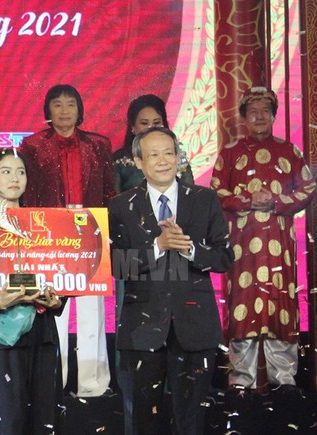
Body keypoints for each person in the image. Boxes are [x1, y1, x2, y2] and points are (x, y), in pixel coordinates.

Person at [109, 126, 234, 434]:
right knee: (145, 420)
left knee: (190, 421)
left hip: (195, 326)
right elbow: (116, 265)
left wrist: (190, 249)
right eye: (153, 154)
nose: (163, 160)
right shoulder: (121, 205)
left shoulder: (204, 199)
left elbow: (224, 258)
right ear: (139, 162)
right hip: (142, 328)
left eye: (169, 152)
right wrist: (158, 246)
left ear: (179, 157)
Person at [211, 87, 315, 395]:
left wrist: (277, 202)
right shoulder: (230, 152)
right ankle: (241, 383)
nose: (259, 117)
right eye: (253, 111)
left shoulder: (289, 151)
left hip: (280, 249)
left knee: (280, 311)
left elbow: (308, 188)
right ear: (243, 117)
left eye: (265, 111)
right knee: (242, 313)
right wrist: (247, 199)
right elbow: (216, 192)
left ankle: (284, 383)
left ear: (273, 116)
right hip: (242, 250)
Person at [0, 148, 65, 434]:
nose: (14, 178)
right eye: (6, 172)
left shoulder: (45, 223)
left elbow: (62, 269)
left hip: (41, 331)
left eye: (20, 172)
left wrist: (57, 301)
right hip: (0, 335)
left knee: (44, 416)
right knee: (7, 419)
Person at [19, 84, 113, 398]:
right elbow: (28, 197)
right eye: (57, 104)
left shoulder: (98, 145)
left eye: (70, 104)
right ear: (48, 110)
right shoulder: (33, 146)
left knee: (92, 313)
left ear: (79, 109)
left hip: (90, 237)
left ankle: (93, 386)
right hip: (50, 239)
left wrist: (108, 235)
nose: (64, 111)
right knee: (52, 311)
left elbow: (109, 194)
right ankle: (52, 384)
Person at [113, 94, 193, 194]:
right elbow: (114, 199)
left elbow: (190, 195)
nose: (151, 128)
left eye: (156, 123)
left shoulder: (177, 156)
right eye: (144, 123)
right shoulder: (120, 160)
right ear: (133, 127)